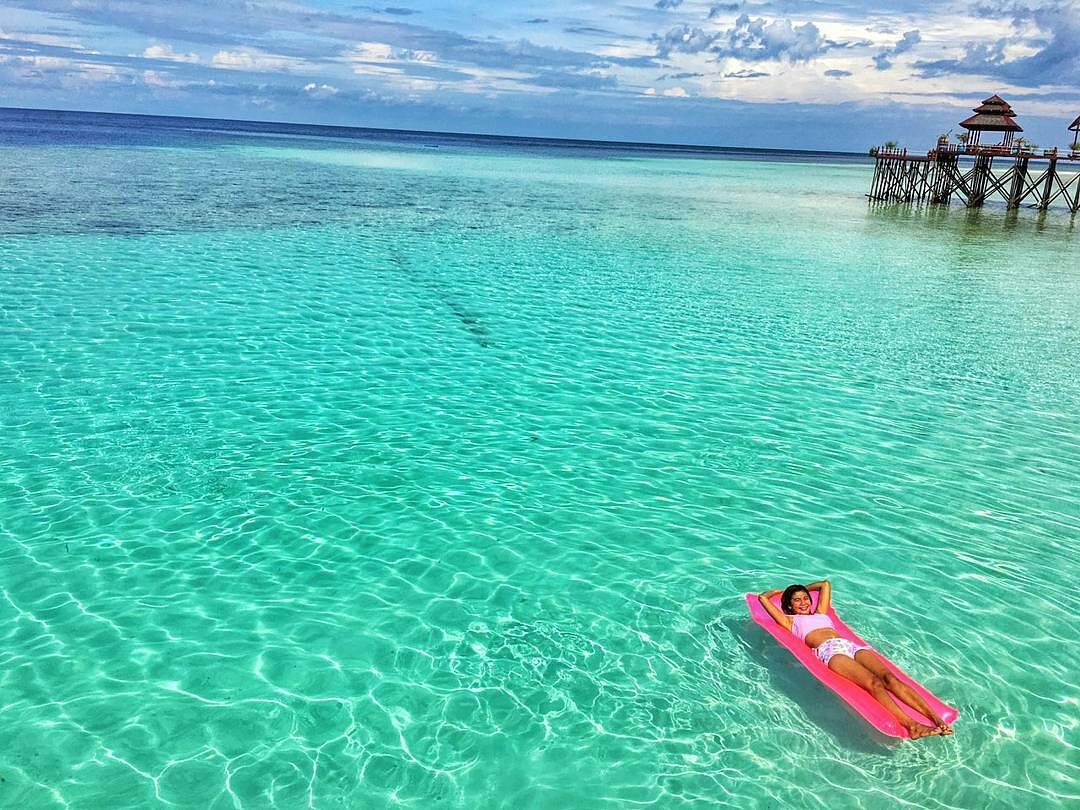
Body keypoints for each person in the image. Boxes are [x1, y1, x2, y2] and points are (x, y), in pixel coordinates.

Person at [758, 580, 953, 739]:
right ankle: (912, 726)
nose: (803, 603)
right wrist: (776, 592)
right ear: (789, 605)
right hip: (831, 653)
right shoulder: (790, 621)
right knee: (874, 683)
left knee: (890, 679)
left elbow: (824, 584)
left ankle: (936, 720)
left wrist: (802, 589)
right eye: (797, 600)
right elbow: (762, 599)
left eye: (805, 598)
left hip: (851, 646)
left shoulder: (820, 612)